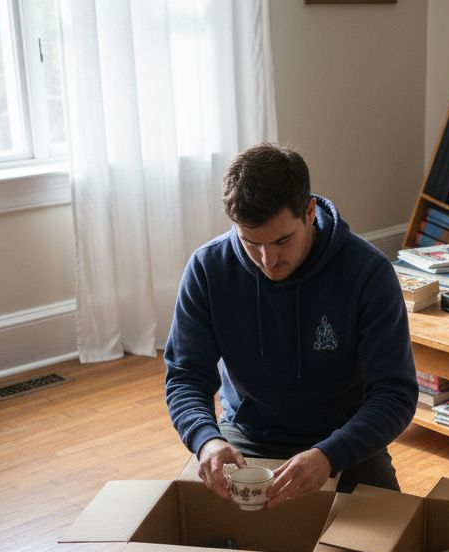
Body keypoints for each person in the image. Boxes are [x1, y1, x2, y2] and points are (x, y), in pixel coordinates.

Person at [164, 142, 418, 515]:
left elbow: (395, 393)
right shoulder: (207, 269)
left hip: (345, 442)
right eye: (251, 243)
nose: (268, 261)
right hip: (247, 437)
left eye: (282, 240)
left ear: (310, 212)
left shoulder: (368, 273)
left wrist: (329, 455)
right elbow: (185, 377)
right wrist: (207, 441)